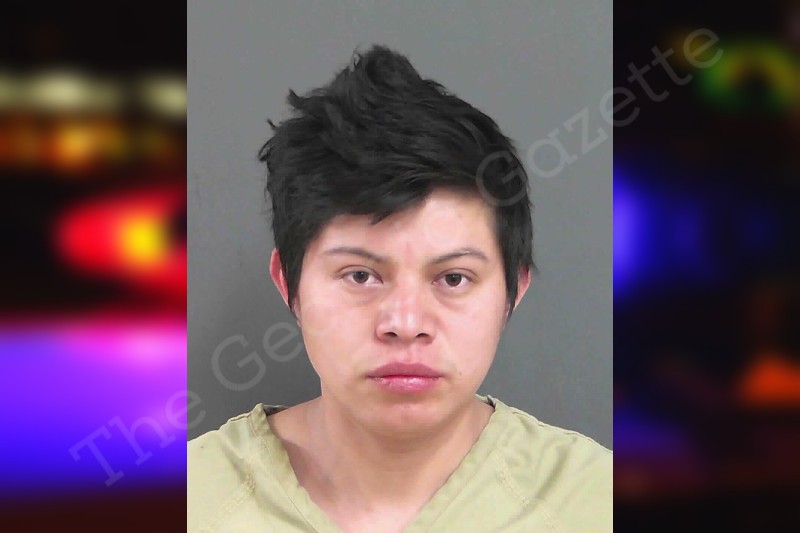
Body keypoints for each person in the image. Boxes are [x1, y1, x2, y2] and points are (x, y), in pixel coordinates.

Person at [187, 44, 611, 532]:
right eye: (360, 276)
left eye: (453, 278)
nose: (406, 324)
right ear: (289, 284)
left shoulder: (594, 501)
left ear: (513, 290)